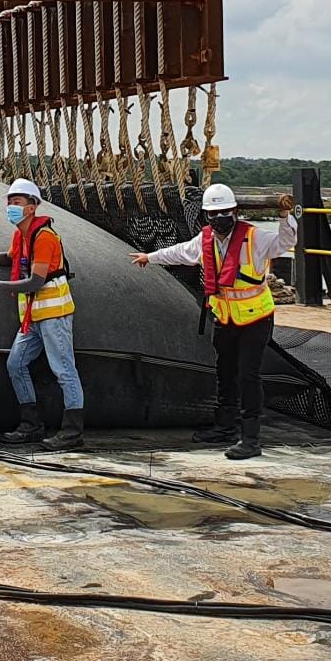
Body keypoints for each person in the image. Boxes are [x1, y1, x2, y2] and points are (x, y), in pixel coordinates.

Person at [130, 183, 296, 460]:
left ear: (234, 211)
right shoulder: (205, 241)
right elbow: (180, 252)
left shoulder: (255, 239)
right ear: (206, 216)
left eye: (225, 212)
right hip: (225, 318)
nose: (220, 219)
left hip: (256, 320)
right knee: (225, 372)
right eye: (214, 214)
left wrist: (285, 217)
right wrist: (151, 257)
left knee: (248, 375)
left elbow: (286, 242)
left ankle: (251, 438)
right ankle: (225, 427)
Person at [0, 178, 83, 449]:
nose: (10, 206)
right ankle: (31, 424)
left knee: (64, 370)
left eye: (16, 202)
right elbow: (11, 257)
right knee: (16, 363)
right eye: (9, 201)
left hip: (53, 314)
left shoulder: (44, 237)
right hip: (32, 317)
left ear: (31, 207)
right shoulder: (22, 234)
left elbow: (35, 281)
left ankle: (72, 432)